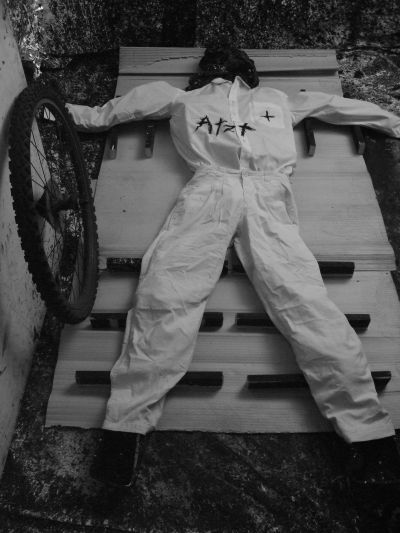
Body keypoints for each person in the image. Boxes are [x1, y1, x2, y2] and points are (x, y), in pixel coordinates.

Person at [66, 46, 400, 487]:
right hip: (210, 188)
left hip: (267, 193)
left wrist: (393, 123)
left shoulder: (278, 100)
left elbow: (337, 106)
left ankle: (370, 434)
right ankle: (125, 426)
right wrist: (55, 110)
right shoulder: (182, 99)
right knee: (169, 292)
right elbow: (112, 112)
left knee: (301, 302)